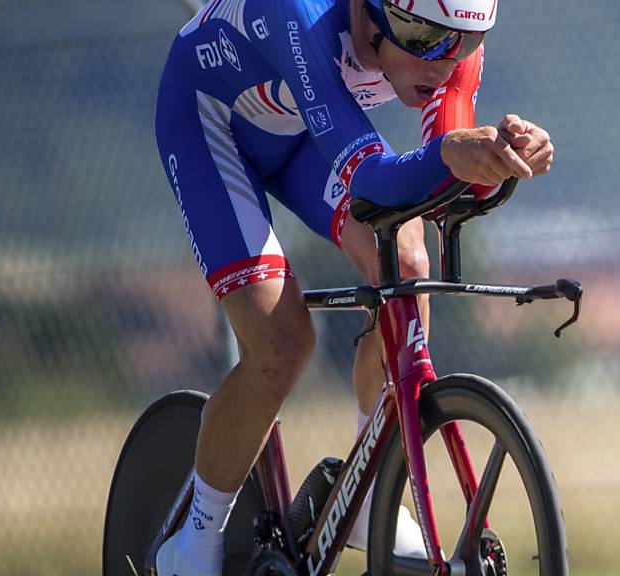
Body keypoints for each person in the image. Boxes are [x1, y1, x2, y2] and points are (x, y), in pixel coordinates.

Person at [153, 0, 553, 573]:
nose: (444, 62)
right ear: (373, 10)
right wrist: (453, 156)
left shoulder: (449, 38)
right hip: (211, 124)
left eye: (465, 42)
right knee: (283, 346)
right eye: (425, 37)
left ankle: (370, 494)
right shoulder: (302, 14)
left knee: (409, 263)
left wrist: (502, 158)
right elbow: (371, 177)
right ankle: (191, 546)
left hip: (300, 134)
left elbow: (447, 180)